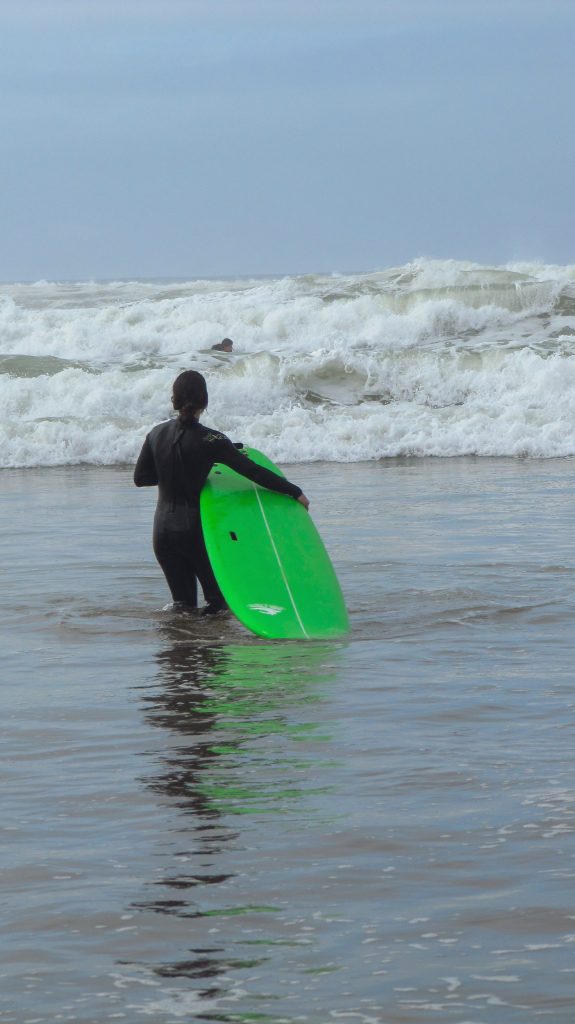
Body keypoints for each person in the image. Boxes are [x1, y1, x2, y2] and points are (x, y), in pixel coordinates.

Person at [134, 370, 309, 615]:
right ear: (204, 400)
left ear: (173, 399)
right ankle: (208, 650)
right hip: (195, 532)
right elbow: (253, 471)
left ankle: (182, 649)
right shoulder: (212, 440)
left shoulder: (156, 434)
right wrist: (294, 491)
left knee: (182, 606)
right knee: (218, 603)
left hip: (162, 532)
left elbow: (140, 478)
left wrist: (172, 474)